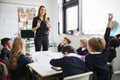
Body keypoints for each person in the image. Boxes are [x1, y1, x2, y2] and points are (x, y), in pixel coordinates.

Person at [85, 14, 113, 80]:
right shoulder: (104, 53)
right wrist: (109, 22)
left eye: (87, 46)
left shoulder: (88, 57)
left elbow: (93, 73)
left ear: (91, 48)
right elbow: (106, 38)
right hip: (107, 77)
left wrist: (109, 22)